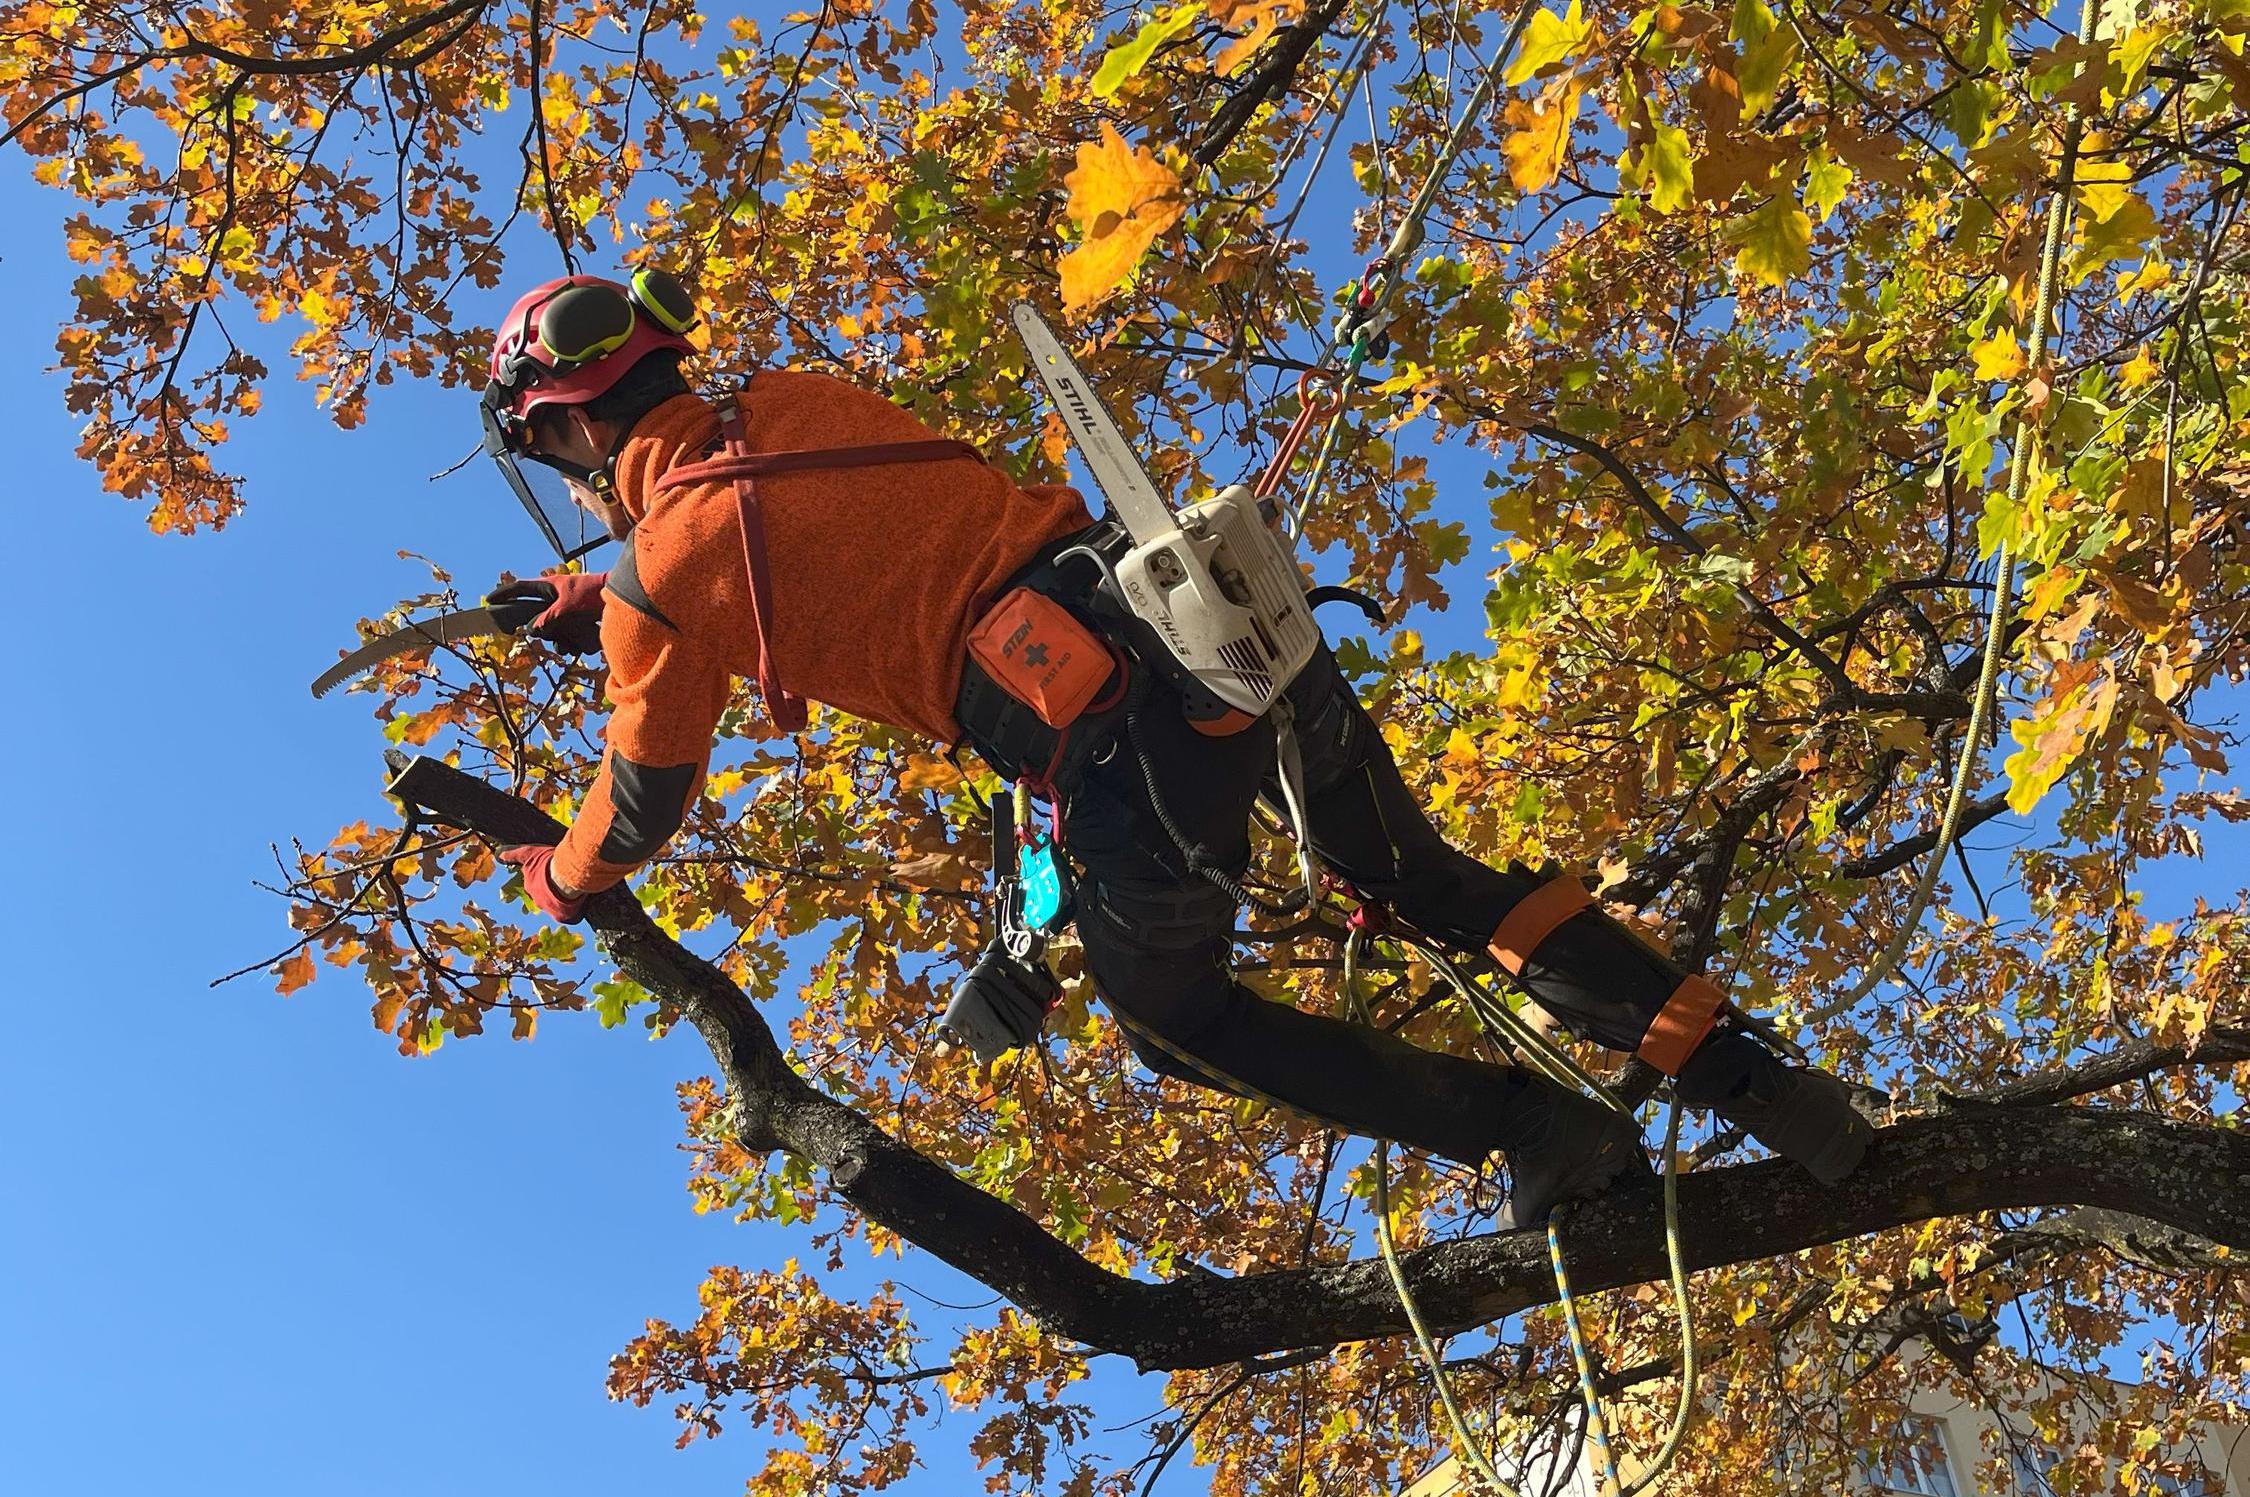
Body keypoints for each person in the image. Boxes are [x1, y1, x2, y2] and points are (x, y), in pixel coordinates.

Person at [478, 269, 1872, 1229]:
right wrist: (608, 597)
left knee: (1174, 1020)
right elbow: (803, 535)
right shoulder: (797, 404)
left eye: (564, 457)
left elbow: (644, 798)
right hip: (1202, 616)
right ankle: (1766, 1089)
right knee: (1431, 880)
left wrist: (564, 873)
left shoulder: (666, 581)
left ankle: (1540, 1134)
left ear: (570, 426)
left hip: (1113, 747)